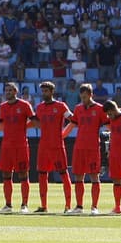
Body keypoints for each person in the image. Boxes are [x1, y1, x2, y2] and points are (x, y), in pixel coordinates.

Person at [33, 81, 72, 214]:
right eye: (42, 91)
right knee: (42, 175)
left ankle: (68, 206)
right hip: (43, 146)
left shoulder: (61, 106)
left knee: (63, 174)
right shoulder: (39, 107)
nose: (44, 93)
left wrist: (64, 134)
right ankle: (44, 206)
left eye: (46, 91)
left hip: (57, 146)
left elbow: (73, 120)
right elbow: (36, 122)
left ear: (52, 91)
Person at [0, 83, 35, 213]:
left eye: (10, 90)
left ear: (15, 92)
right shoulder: (3, 107)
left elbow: (34, 121)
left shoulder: (24, 105)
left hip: (21, 145)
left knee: (23, 174)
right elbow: (1, 123)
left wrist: (23, 127)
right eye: (6, 90)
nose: (8, 92)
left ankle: (24, 205)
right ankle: (8, 205)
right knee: (6, 174)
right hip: (7, 145)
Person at [69, 84, 108, 215]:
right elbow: (72, 123)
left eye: (85, 97)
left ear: (91, 95)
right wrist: (61, 135)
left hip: (92, 147)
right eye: (82, 97)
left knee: (94, 176)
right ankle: (79, 206)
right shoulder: (78, 108)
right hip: (79, 147)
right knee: (78, 176)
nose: (83, 100)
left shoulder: (99, 109)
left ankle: (94, 207)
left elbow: (109, 125)